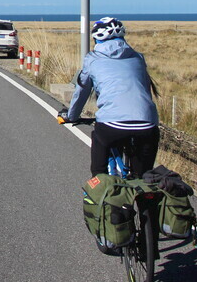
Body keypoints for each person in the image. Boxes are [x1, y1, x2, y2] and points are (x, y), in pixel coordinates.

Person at [58, 17, 160, 177]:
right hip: (147, 124)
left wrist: (72, 116)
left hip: (112, 124)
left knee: (99, 170)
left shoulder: (92, 59)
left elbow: (82, 92)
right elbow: (145, 90)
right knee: (145, 178)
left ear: (96, 38)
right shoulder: (138, 57)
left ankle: (100, 187)